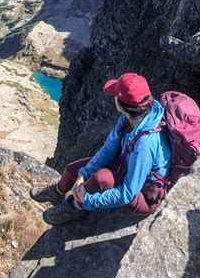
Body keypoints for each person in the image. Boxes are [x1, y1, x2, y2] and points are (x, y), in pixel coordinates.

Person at [30, 73, 172, 225]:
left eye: (116, 96)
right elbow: (109, 149)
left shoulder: (146, 144)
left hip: (143, 194)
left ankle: (75, 207)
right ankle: (56, 193)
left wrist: (88, 199)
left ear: (121, 104)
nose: (113, 98)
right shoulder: (131, 116)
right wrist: (84, 174)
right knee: (73, 170)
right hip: (127, 165)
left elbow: (129, 193)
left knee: (100, 177)